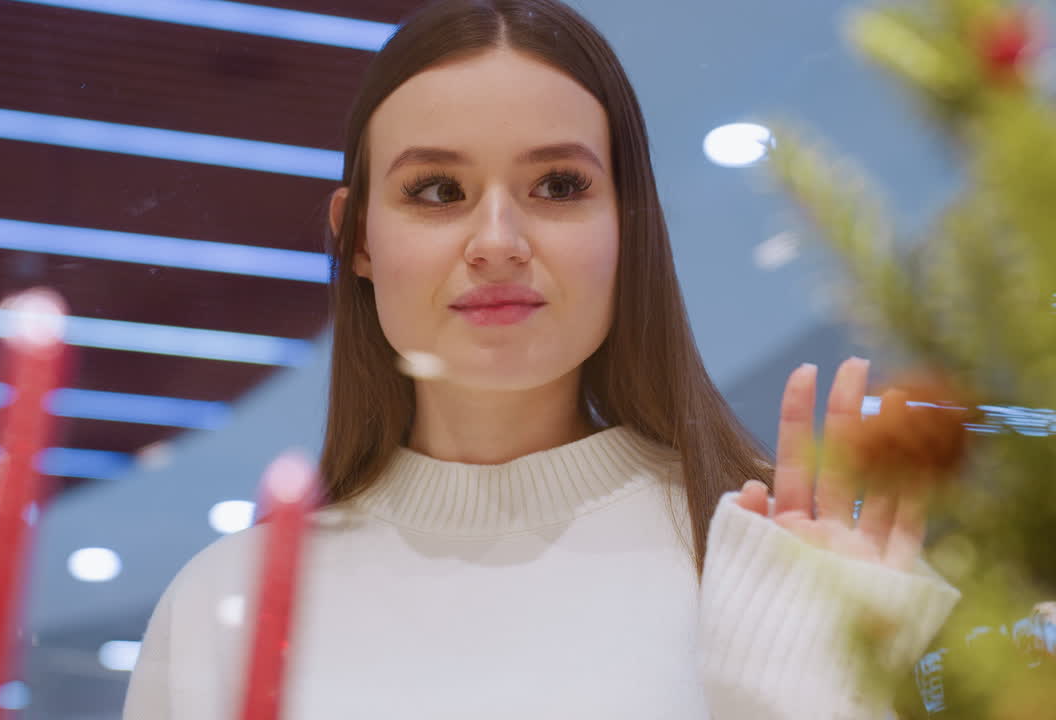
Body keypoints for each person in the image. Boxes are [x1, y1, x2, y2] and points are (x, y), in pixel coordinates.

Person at [122, 1, 961, 717]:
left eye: (558, 186)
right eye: (437, 191)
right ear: (358, 238)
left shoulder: (791, 568)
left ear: (626, 224)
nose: (497, 242)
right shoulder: (222, 606)